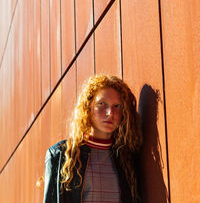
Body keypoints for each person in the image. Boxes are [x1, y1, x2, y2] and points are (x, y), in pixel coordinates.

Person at [43, 74, 142, 203]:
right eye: (101, 104)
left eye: (117, 106)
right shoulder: (61, 154)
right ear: (88, 108)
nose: (110, 113)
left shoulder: (127, 159)